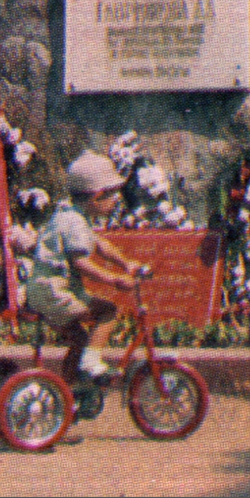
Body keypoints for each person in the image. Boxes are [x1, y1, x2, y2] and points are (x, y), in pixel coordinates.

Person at [26, 151, 148, 384]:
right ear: (97, 196)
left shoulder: (70, 214)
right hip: (57, 292)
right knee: (108, 312)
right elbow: (80, 263)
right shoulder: (74, 223)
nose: (116, 201)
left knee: (80, 339)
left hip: (42, 290)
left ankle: (68, 389)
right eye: (113, 195)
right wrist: (114, 280)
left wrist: (126, 263)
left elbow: (101, 245)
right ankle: (91, 364)